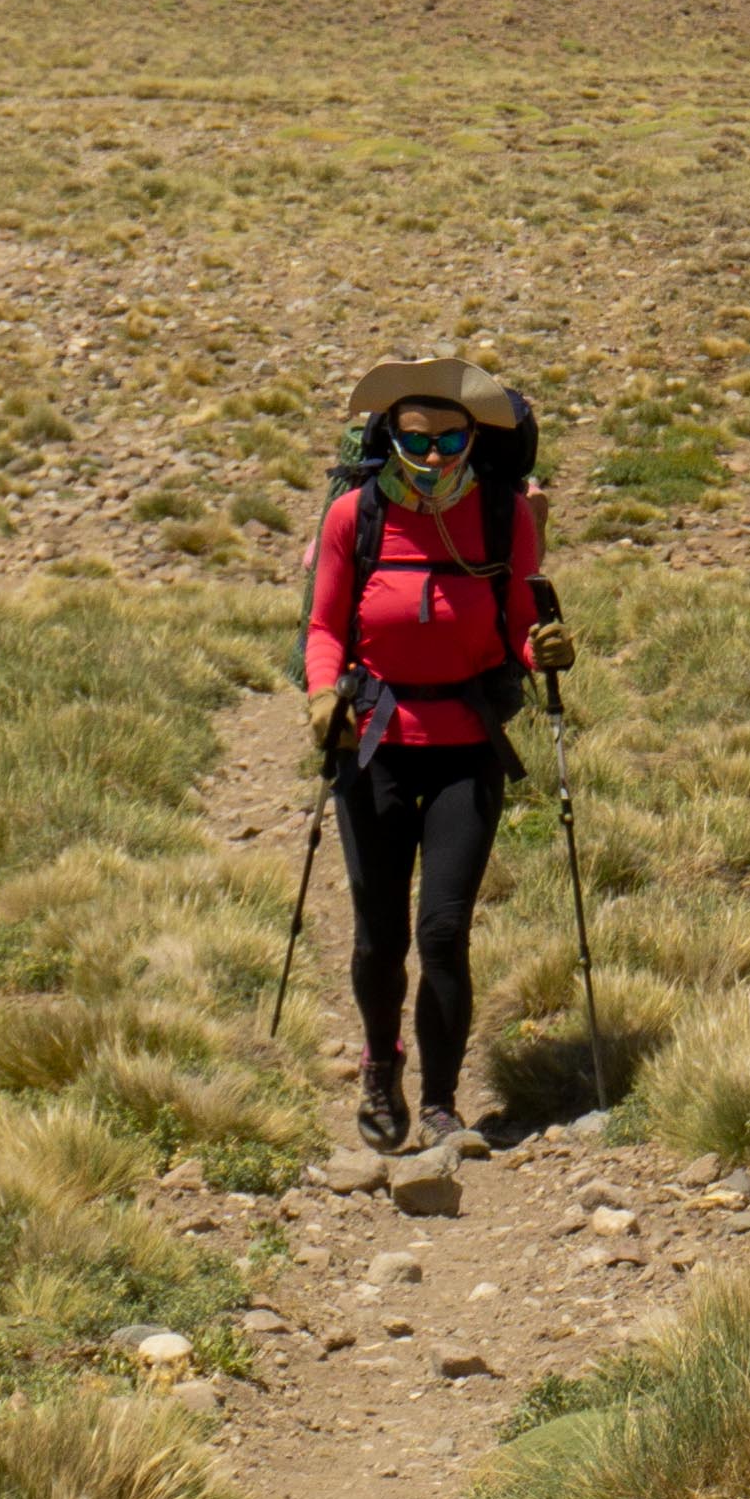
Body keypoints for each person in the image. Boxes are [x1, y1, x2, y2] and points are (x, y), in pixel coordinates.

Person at [300, 358, 572, 1151]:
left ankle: (445, 1101)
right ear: (390, 436)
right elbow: (324, 626)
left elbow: (521, 617)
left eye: (451, 436)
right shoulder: (356, 516)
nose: (433, 453)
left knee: (444, 932)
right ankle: (382, 1067)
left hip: (466, 747)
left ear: (471, 438)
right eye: (415, 438)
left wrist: (543, 648)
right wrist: (324, 695)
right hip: (373, 741)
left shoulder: (501, 516)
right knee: (379, 936)